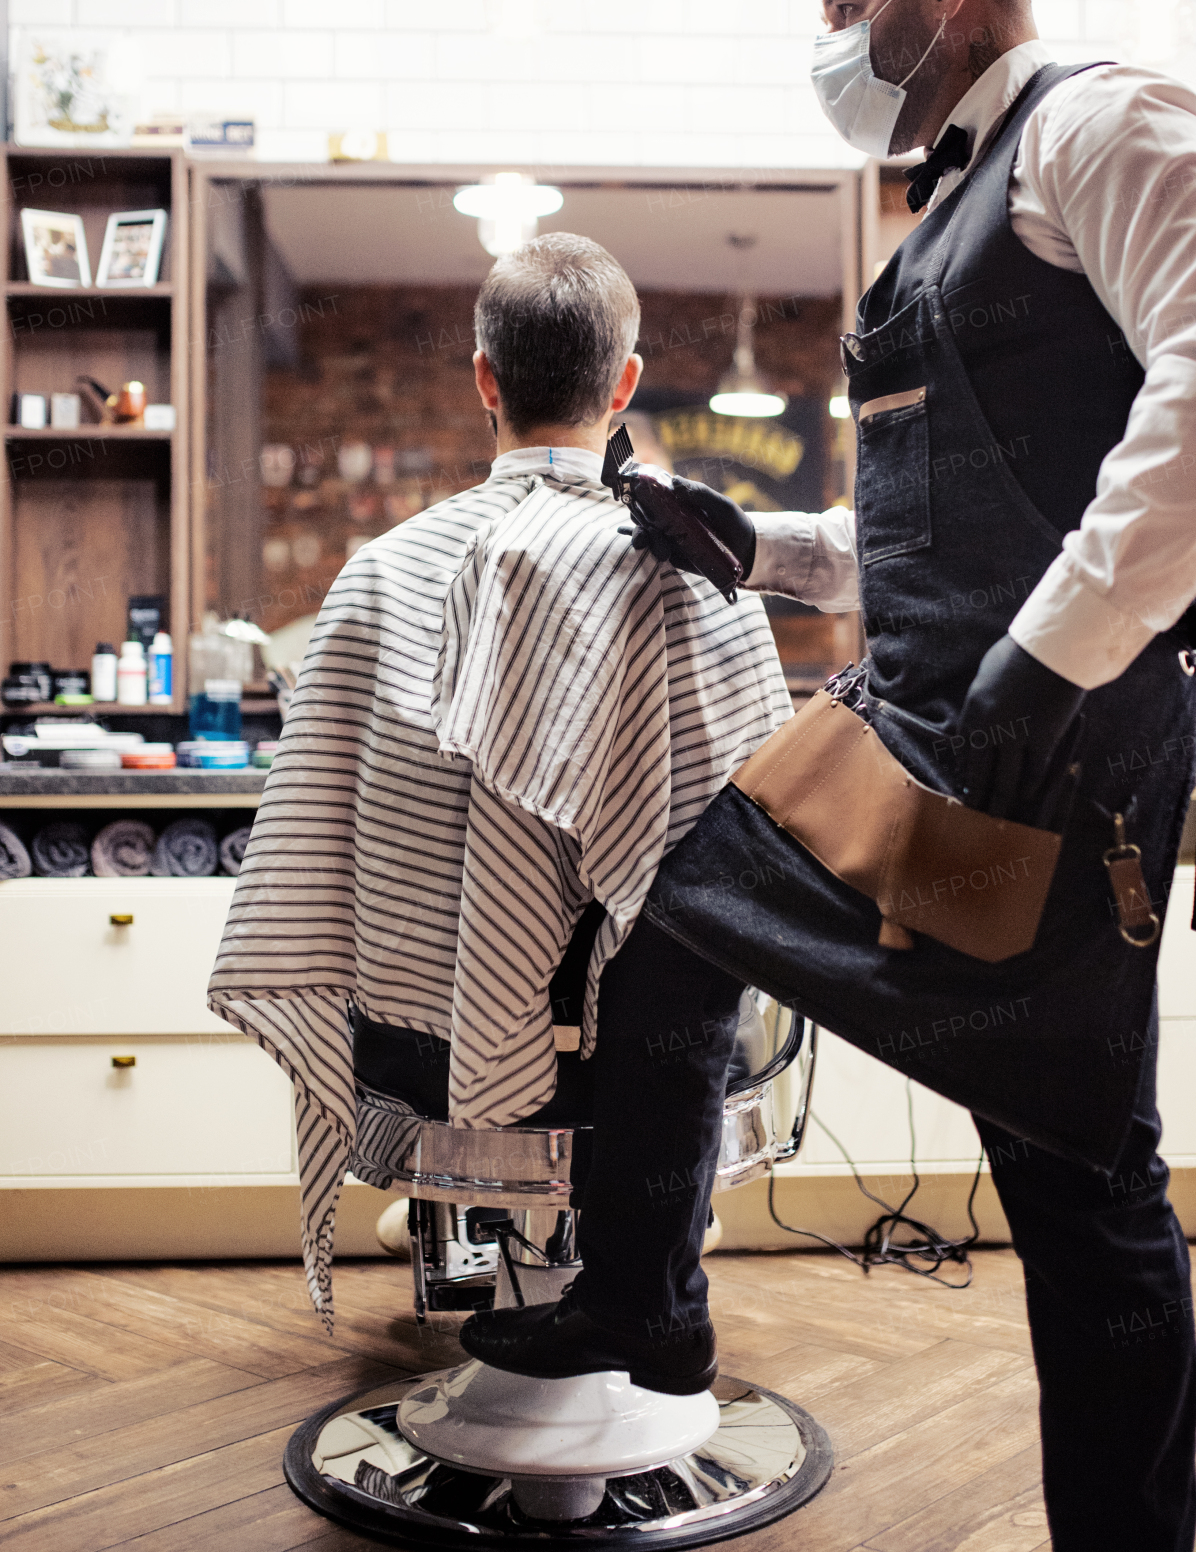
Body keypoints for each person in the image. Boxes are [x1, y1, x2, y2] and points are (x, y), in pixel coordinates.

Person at [603, 0, 1196, 1552]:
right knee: (677, 903)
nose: (828, 42)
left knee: (1080, 1181)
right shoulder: (951, 204)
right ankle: (647, 1311)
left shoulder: (1101, 125)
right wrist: (765, 545)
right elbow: (932, 531)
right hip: (926, 716)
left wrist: (1049, 655)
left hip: (1058, 745)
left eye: (846, 9)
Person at [208, 232, 791, 1389]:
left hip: (416, 1053)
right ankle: (633, 1289)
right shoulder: (692, 577)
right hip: (649, 1066)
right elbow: (757, 838)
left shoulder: (379, 576)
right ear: (623, 384)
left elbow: (314, 864)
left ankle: (534, 1275)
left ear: (482, 376)